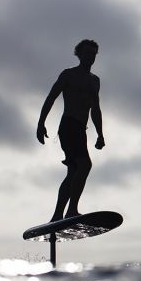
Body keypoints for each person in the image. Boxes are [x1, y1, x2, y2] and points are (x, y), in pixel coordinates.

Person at [36, 39, 105, 222]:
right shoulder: (69, 75)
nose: (90, 57)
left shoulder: (95, 81)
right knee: (84, 165)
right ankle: (71, 210)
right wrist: (41, 123)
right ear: (79, 54)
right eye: (87, 53)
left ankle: (58, 215)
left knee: (74, 171)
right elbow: (51, 97)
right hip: (68, 125)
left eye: (93, 54)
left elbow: (95, 109)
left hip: (81, 129)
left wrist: (100, 134)